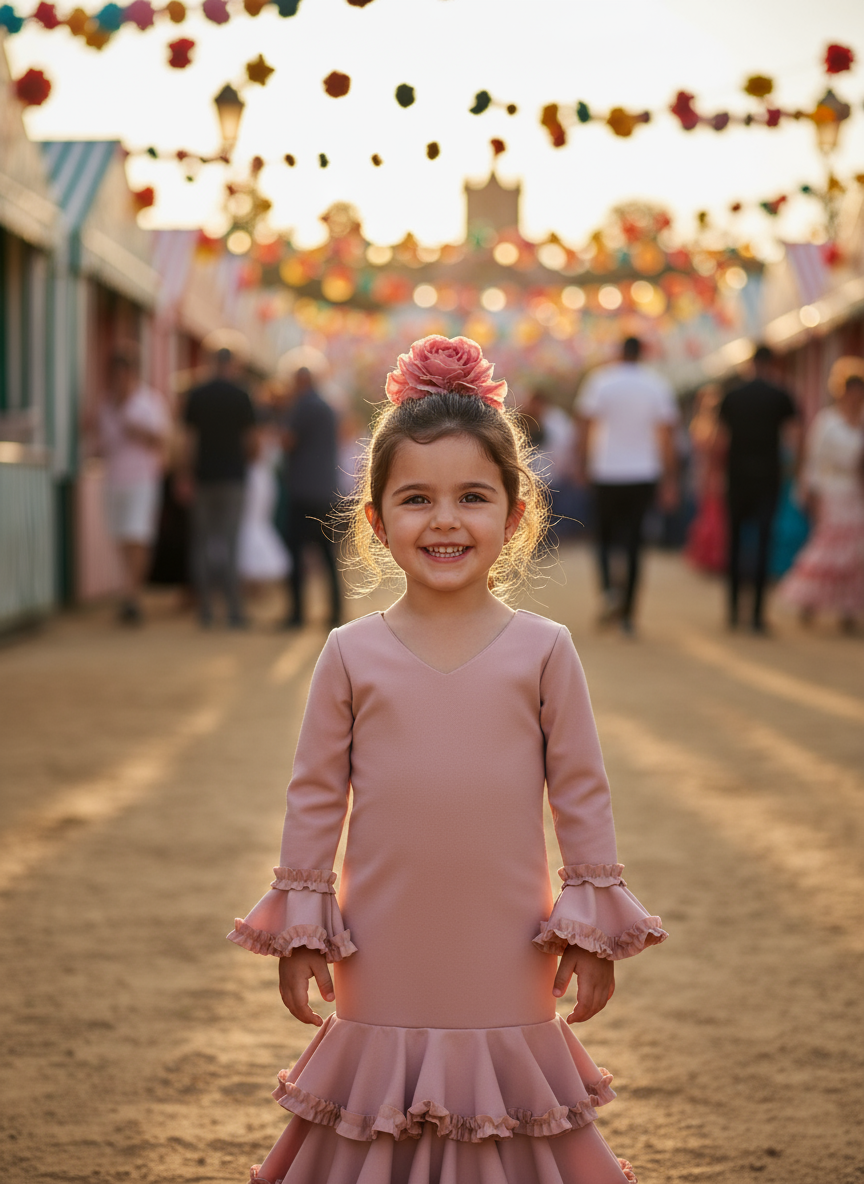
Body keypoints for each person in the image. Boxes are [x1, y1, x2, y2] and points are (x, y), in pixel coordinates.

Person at [228, 335, 667, 1184]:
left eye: (472, 497)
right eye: (416, 499)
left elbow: (582, 793)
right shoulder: (350, 653)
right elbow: (314, 797)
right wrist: (302, 925)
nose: (443, 521)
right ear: (376, 518)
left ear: (515, 513)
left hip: (507, 943)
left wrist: (590, 929)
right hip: (378, 944)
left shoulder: (545, 650)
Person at [575, 336, 679, 635]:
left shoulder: (600, 381)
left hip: (606, 470)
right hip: (643, 472)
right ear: (642, 353)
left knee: (604, 538)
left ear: (619, 353)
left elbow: (585, 425)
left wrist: (583, 463)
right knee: (635, 542)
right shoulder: (657, 384)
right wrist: (671, 477)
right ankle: (629, 615)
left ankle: (609, 592)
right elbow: (666, 435)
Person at [717, 345, 799, 634]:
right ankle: (756, 615)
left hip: (737, 477)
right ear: (772, 363)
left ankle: (732, 612)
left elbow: (719, 439)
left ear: (750, 363)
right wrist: (793, 472)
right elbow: (793, 437)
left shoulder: (733, 397)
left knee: (735, 543)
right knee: (764, 543)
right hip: (768, 478)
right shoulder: (781, 395)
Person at [86, 346, 171, 625]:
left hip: (142, 479)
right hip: (114, 479)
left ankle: (131, 596)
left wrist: (139, 431)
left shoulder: (148, 403)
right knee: (121, 537)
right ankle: (129, 590)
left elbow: (164, 441)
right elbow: (98, 442)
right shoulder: (105, 404)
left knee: (137, 535)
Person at [779, 362, 864, 633]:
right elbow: (814, 460)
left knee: (855, 551)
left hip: (856, 491)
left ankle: (848, 608)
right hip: (832, 489)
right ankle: (811, 600)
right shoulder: (827, 422)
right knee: (828, 543)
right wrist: (810, 491)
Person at [183, 348, 256, 628]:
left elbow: (188, 440)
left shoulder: (197, 394)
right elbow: (252, 443)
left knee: (201, 542)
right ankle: (234, 610)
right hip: (232, 479)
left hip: (203, 477)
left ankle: (205, 609)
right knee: (231, 543)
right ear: (233, 365)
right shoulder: (241, 395)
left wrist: (186, 474)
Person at [280, 366, 341, 628]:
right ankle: (335, 611)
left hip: (303, 490)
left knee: (296, 553)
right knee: (327, 555)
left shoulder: (302, 406)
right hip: (325, 490)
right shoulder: (328, 408)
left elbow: (288, 441)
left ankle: (297, 614)